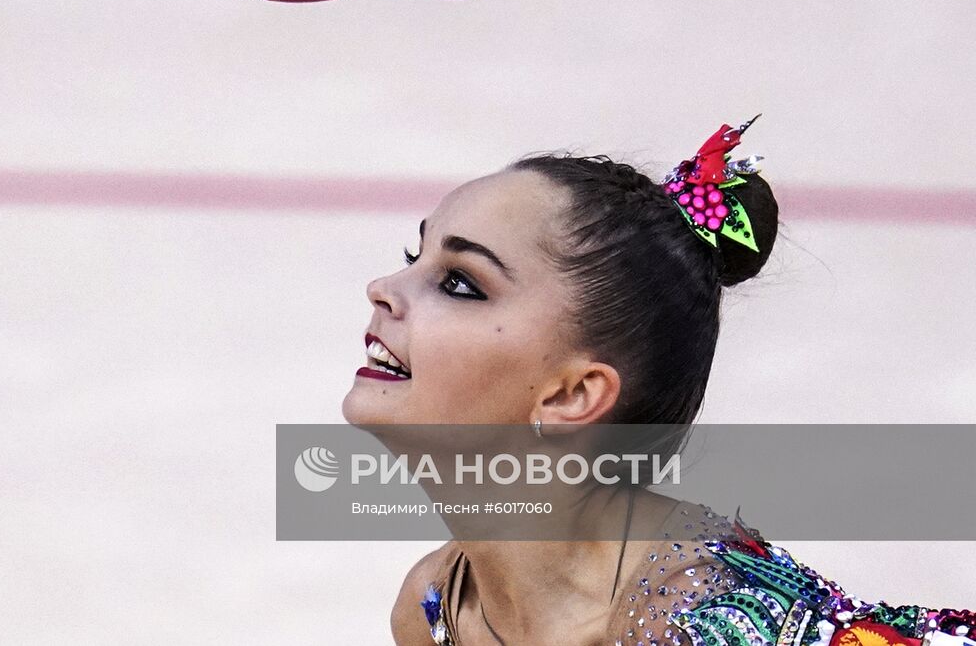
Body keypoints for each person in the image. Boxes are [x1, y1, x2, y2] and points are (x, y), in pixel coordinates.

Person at [342, 121, 973, 646]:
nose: (383, 289)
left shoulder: (705, 621)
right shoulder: (438, 609)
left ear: (572, 395)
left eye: (460, 283)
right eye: (413, 256)